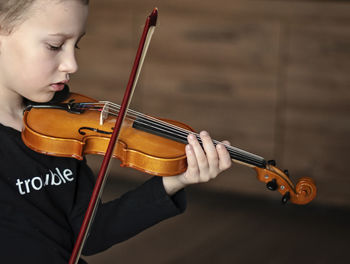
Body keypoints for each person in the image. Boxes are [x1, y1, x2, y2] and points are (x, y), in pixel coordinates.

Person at [0, 0, 232, 263]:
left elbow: (91, 233)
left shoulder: (58, 124)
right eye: (55, 46)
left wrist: (177, 179)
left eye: (75, 45)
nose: (72, 64)